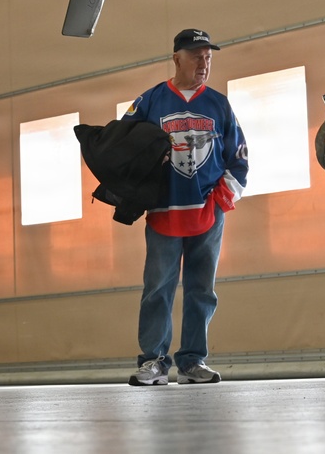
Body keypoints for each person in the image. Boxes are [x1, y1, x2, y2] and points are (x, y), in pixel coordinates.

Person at [122, 29, 248, 386]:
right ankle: (154, 361)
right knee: (157, 287)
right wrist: (139, 183)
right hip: (164, 210)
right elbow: (123, 145)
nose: (203, 63)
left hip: (208, 211)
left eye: (208, 57)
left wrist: (221, 199)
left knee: (202, 289)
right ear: (177, 58)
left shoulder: (220, 105)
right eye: (196, 56)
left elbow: (239, 158)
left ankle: (192, 361)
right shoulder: (149, 101)